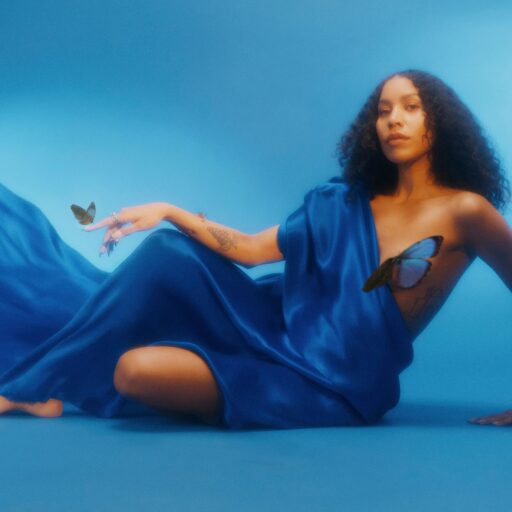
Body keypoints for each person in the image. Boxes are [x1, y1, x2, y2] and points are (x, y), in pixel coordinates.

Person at [0, 69, 510, 428]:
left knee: (133, 372)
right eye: (383, 111)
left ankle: (53, 382)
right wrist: (169, 211)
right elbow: (248, 249)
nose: (393, 120)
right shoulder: (343, 202)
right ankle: (35, 388)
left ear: (438, 121)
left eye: (411, 107)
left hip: (336, 386)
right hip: (271, 327)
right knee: (166, 251)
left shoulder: (465, 211)